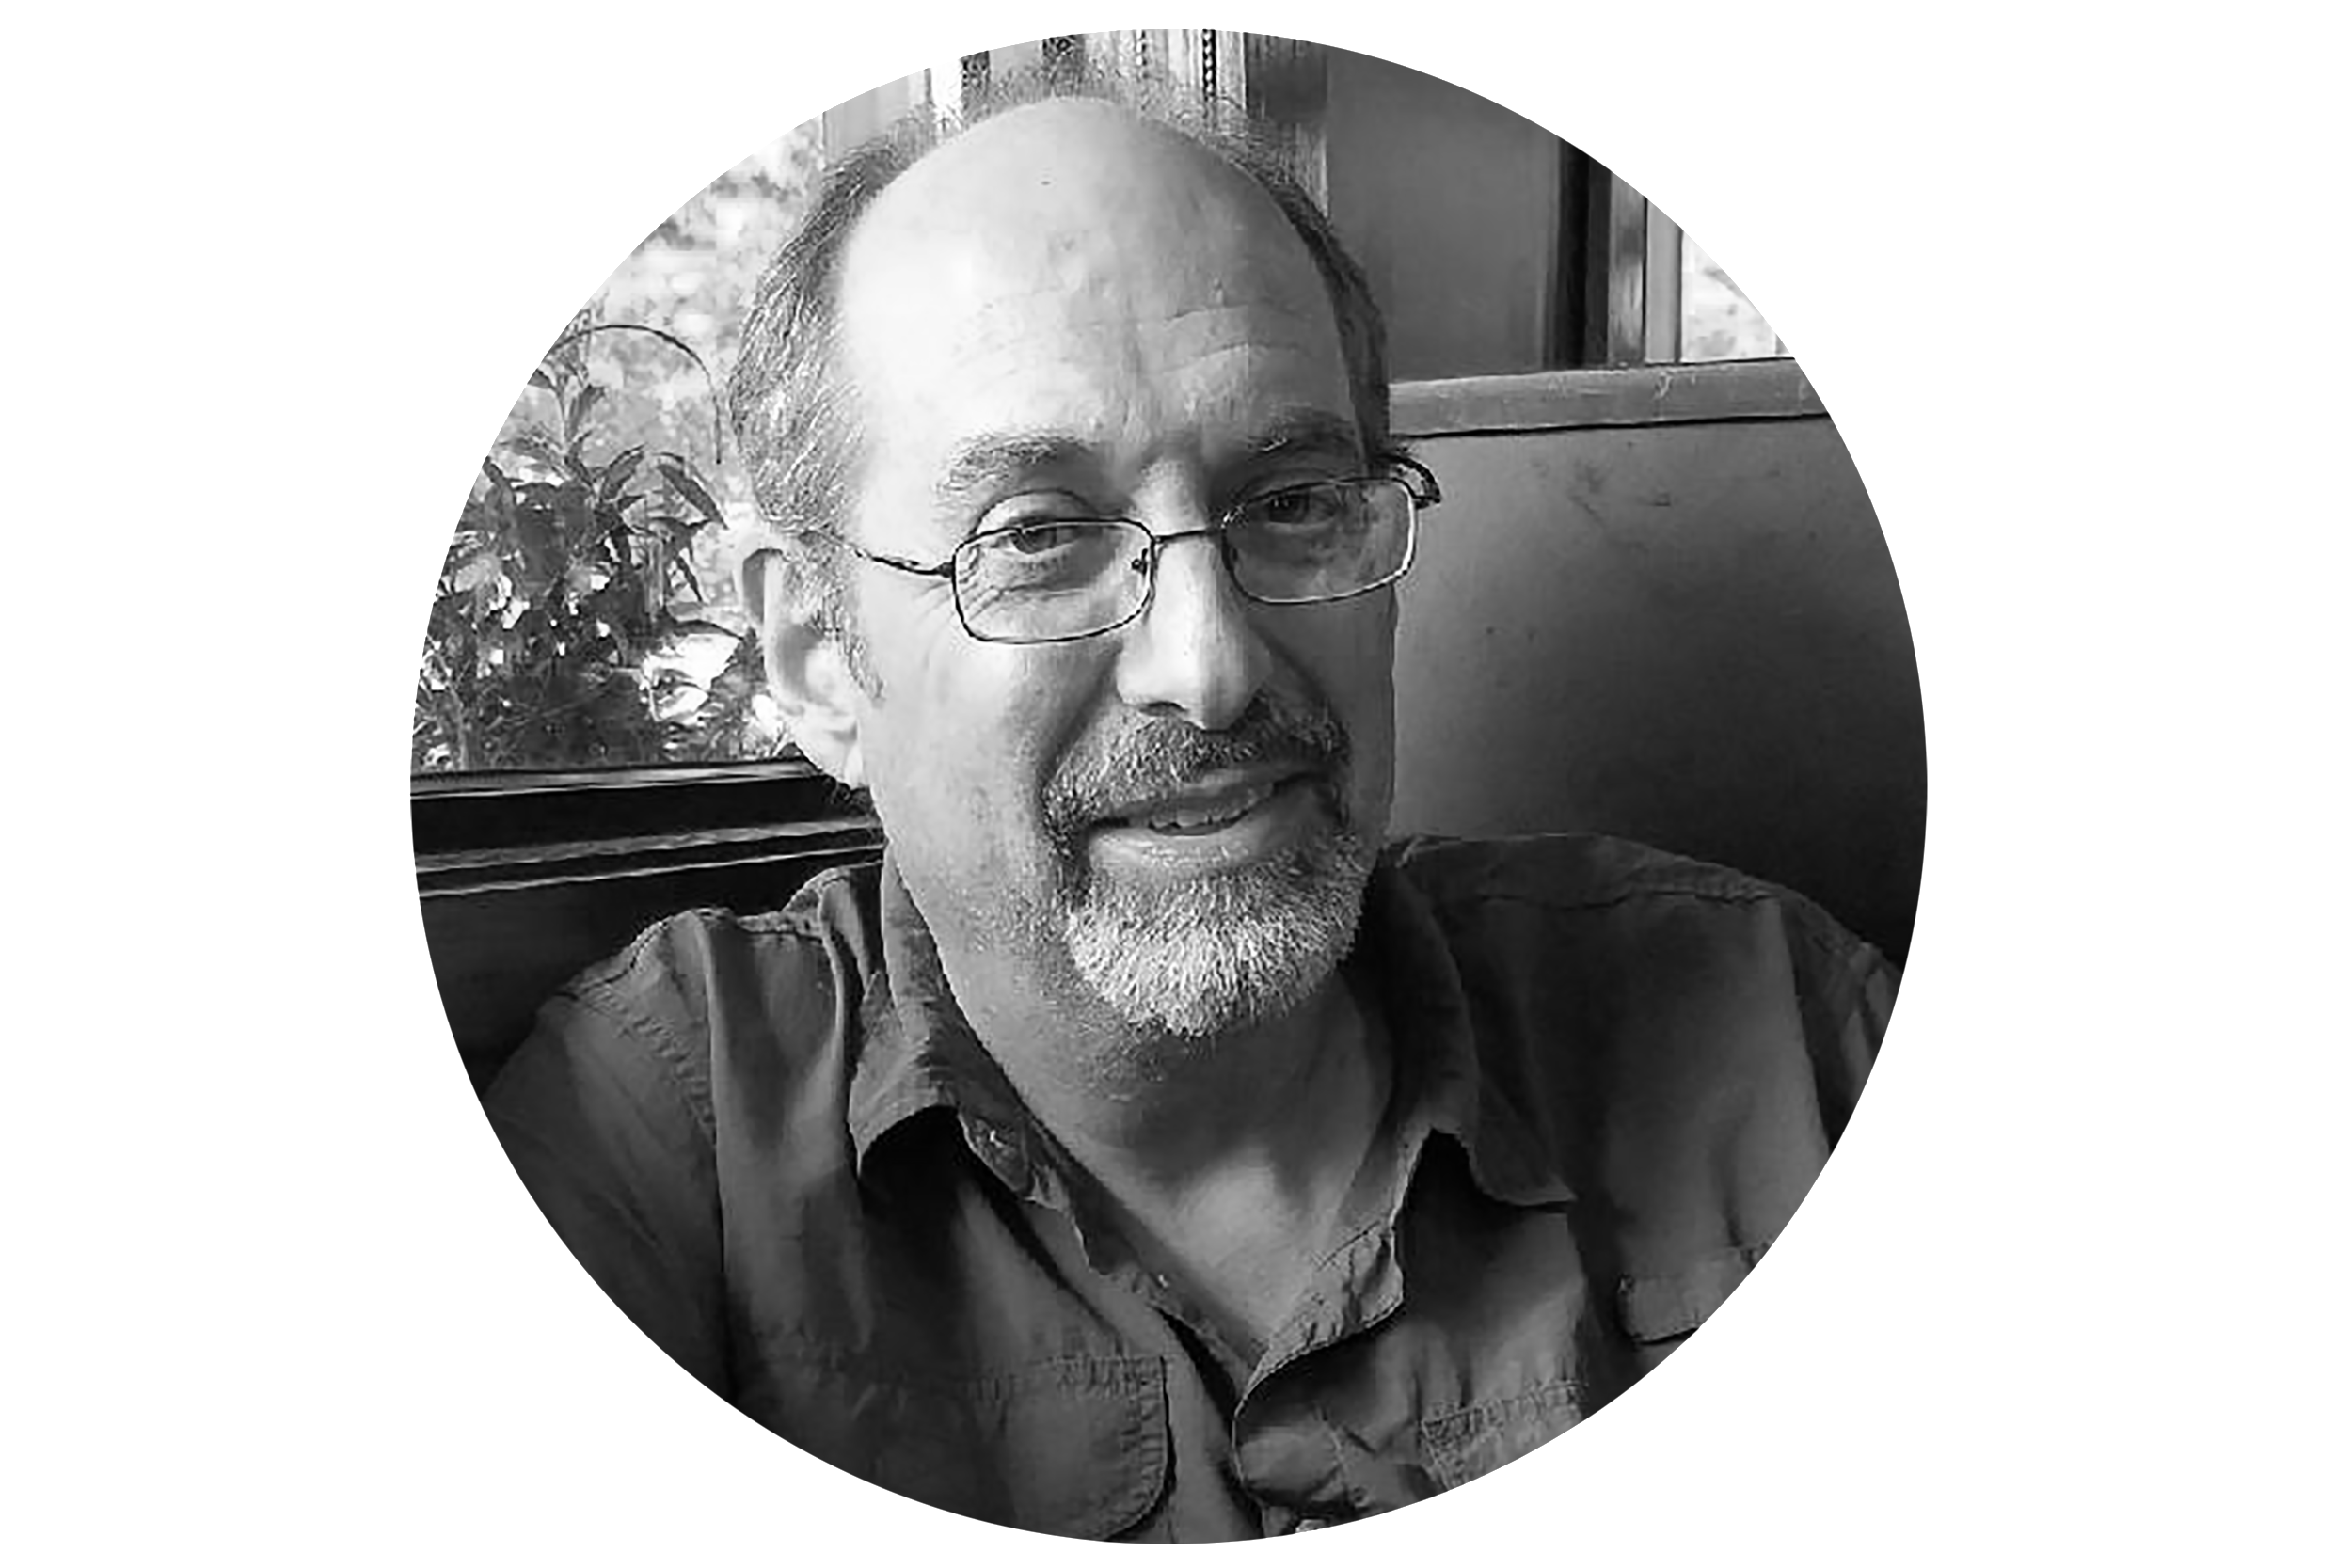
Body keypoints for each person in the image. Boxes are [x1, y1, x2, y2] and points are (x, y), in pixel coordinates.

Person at [485, 81, 1898, 1544]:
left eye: (1292, 501)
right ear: (816, 656)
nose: (1210, 666)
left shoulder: (1782, 1038)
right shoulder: (662, 1138)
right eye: (1039, 535)